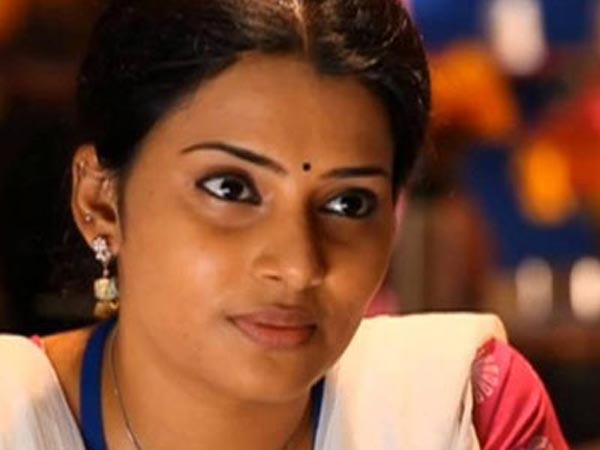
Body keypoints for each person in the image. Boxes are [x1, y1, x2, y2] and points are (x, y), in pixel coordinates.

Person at [0, 1, 569, 449]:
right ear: (100, 202)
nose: (298, 266)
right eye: (231, 189)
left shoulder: (456, 415)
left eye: (349, 203)